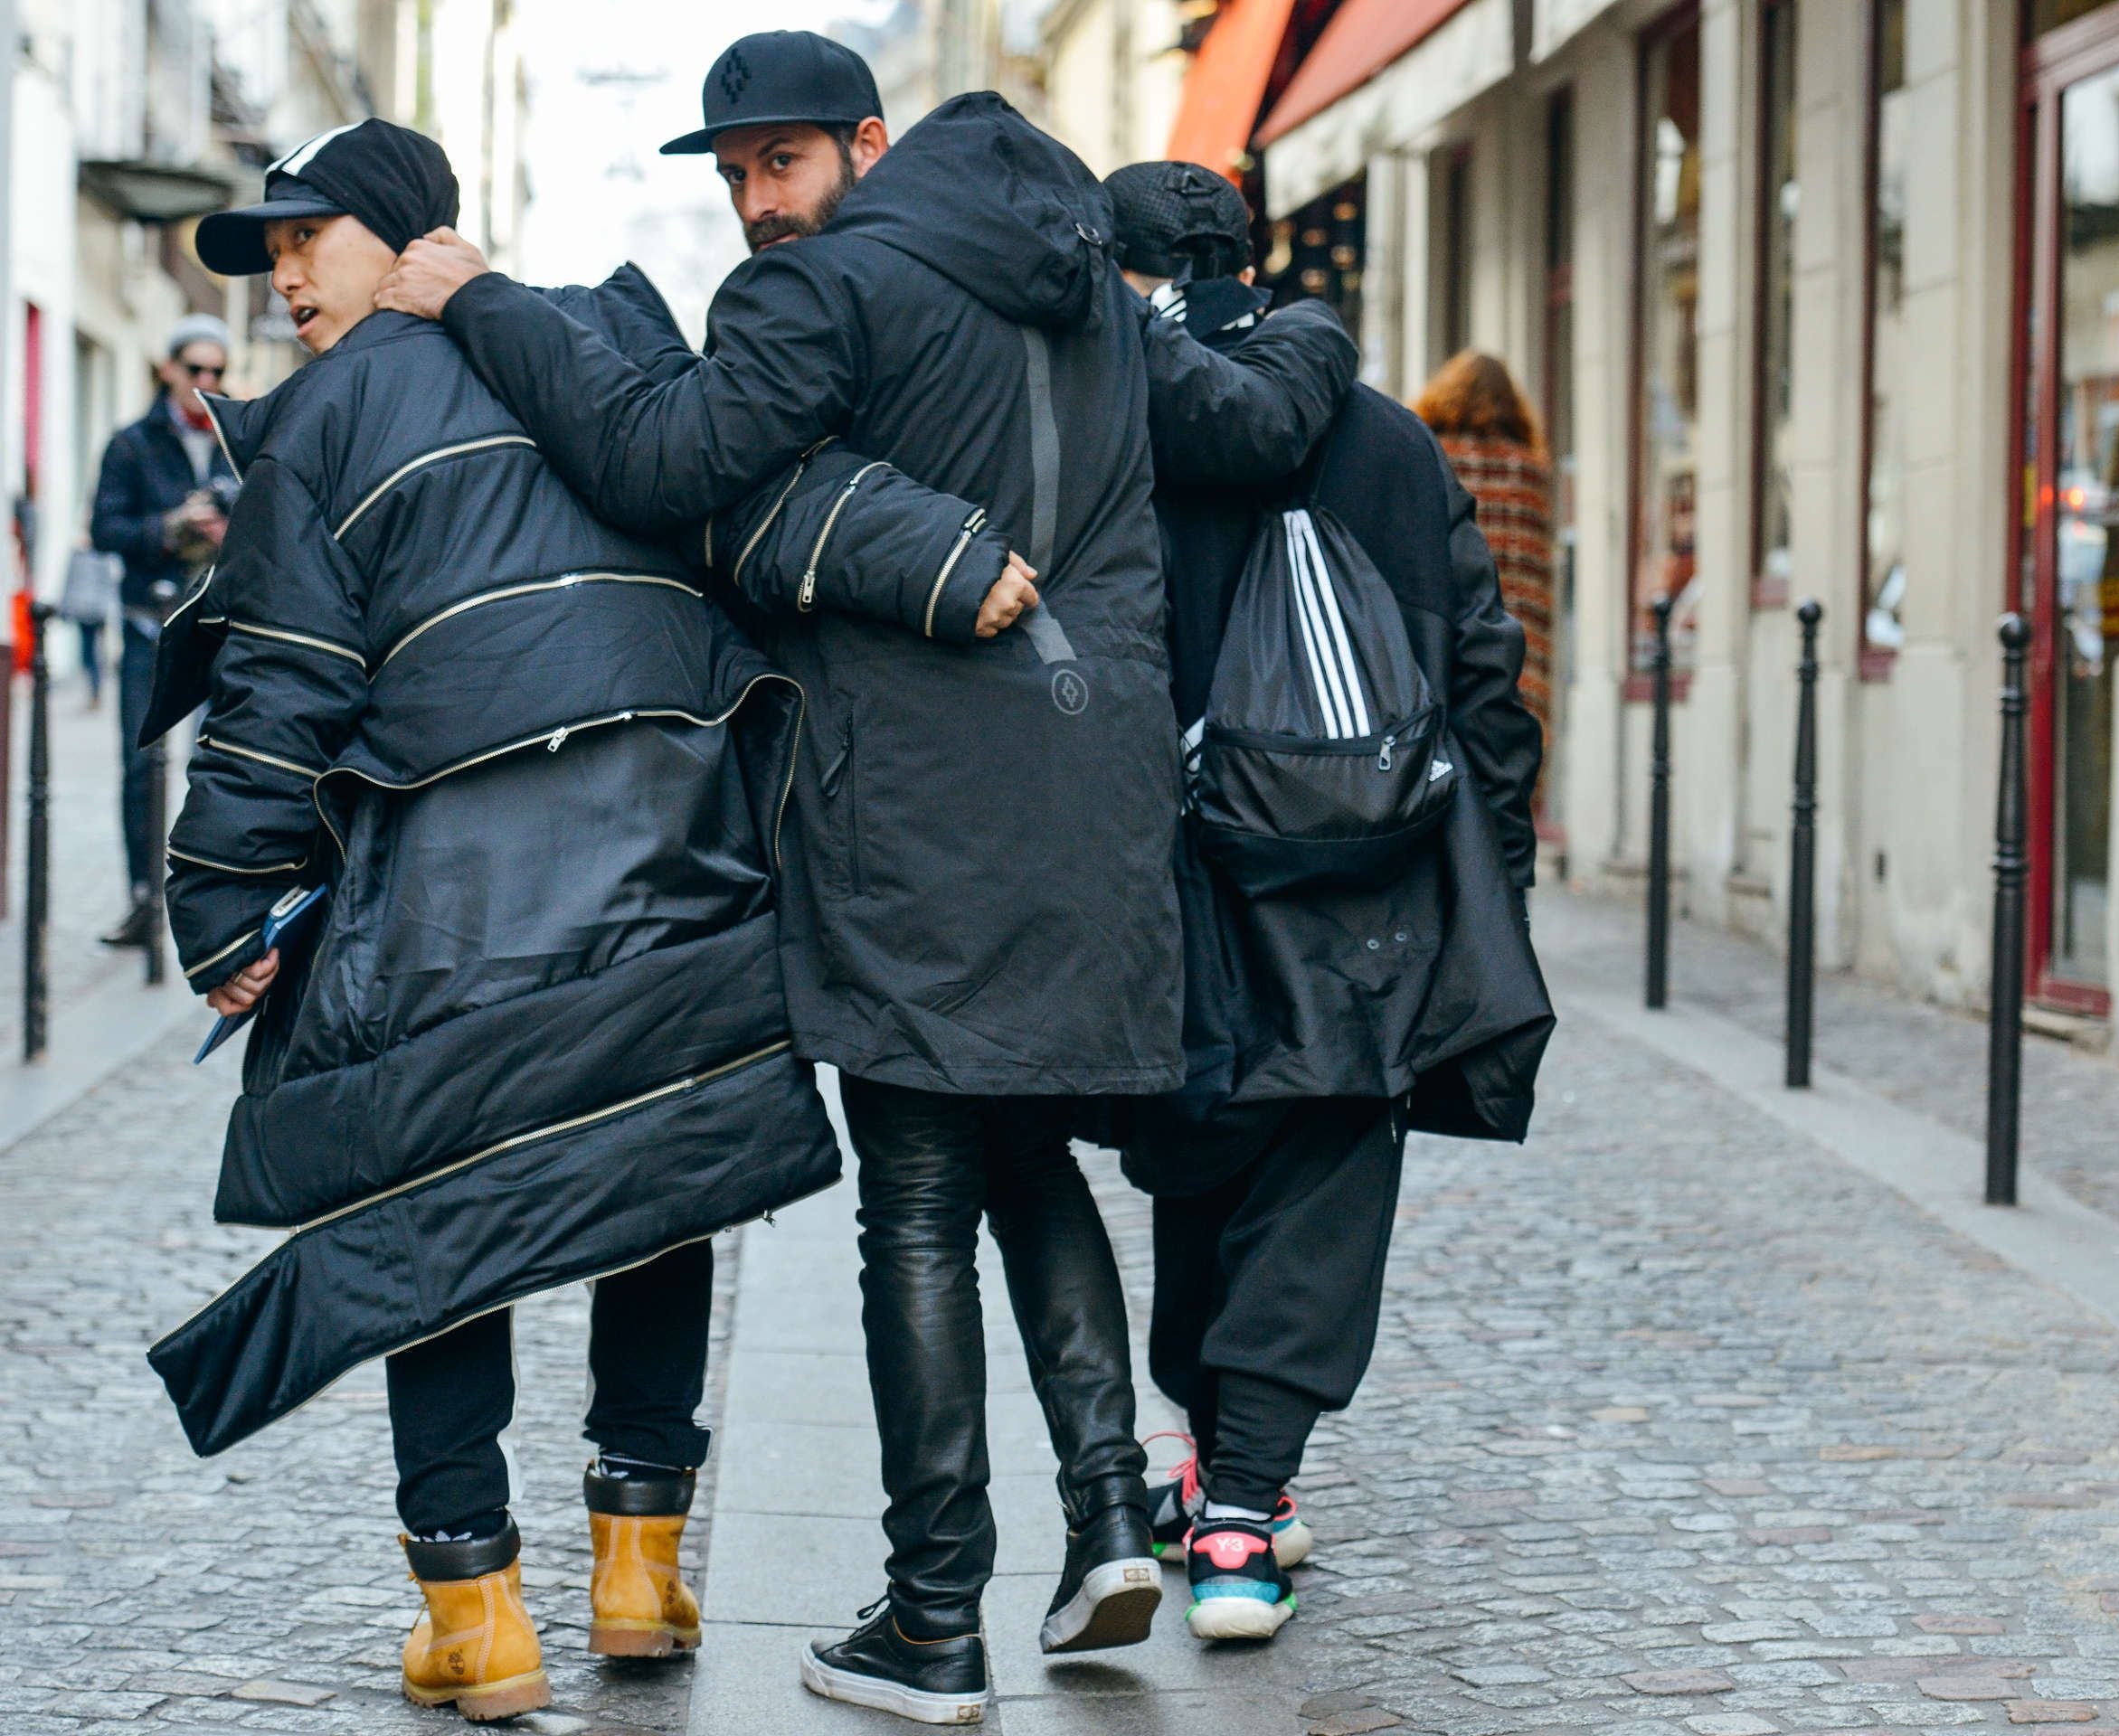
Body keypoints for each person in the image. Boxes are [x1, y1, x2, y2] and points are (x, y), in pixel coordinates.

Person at [374, 33, 1360, 1723]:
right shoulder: (1092, 291)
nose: (762, 202)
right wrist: (1323, 326)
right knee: (1028, 1143)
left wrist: (482, 302)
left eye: (783, 163)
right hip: (1099, 788)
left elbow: (660, 461)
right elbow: (1258, 420)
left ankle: (932, 1616)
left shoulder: (819, 298)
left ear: (870, 143)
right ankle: (1114, 1516)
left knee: (914, 1192)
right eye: (738, 174)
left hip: (921, 804)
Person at [142, 118, 843, 1724]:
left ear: (401, 236)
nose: (284, 274)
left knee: (433, 1222)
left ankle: (478, 1618)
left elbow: (278, 688)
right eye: (267, 252)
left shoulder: (327, 417)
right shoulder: (599, 343)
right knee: (655, 1173)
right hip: (676, 849)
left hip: (454, 892)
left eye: (307, 235)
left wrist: (224, 901)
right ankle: (639, 1570)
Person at [1100, 161, 1555, 1641]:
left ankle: (1220, 1475)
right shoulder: (1385, 439)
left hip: (1180, 877)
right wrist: (1497, 861)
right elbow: (1482, 664)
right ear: (1250, 257)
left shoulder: (1111, 432)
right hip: (1373, 875)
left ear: (1121, 276)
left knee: (1202, 1158)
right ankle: (1245, 1508)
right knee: (1329, 1156)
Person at [90, 313, 235, 946]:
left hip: (223, 625)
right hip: (151, 625)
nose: (206, 380)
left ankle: (216, 899)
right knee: (140, 765)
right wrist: (172, 527)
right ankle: (144, 899)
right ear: (170, 369)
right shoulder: (131, 443)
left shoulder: (238, 437)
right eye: (196, 368)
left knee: (226, 765)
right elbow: (104, 531)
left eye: (217, 371)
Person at [1415, 351, 1557, 756]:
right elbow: (1537, 573)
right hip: (1518, 642)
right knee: (1512, 756)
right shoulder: (1529, 470)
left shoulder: (1431, 457)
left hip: (1445, 630)